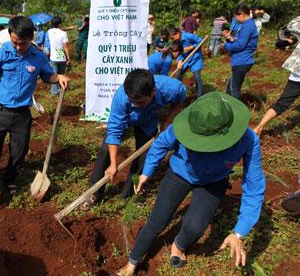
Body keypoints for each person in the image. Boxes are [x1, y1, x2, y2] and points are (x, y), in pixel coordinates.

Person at [115, 91, 265, 276]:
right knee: (157, 221)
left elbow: (254, 186)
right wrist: (147, 170)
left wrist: (239, 232)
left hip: (214, 181)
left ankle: (178, 246)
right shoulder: (184, 124)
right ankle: (133, 262)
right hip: (180, 173)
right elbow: (162, 143)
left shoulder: (249, 140)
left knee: (195, 227)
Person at [0, 16, 70, 216]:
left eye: (23, 43)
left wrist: (58, 76)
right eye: (15, 42)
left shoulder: (38, 56)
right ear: (10, 36)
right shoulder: (1, 54)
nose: (18, 47)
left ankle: (9, 179)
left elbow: (47, 76)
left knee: (19, 151)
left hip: (22, 114)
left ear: (31, 38)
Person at [80, 70, 186, 209]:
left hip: (148, 121)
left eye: (140, 102)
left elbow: (181, 97)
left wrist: (167, 121)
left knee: (144, 156)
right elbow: (114, 131)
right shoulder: (121, 97)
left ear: (153, 92)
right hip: (127, 118)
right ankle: (95, 192)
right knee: (106, 150)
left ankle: (129, 194)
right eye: (133, 101)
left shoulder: (171, 88)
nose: (136, 105)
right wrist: (113, 164)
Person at [254, 16, 299, 136]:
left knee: (282, 102)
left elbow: (291, 25)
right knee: (282, 102)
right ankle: (259, 126)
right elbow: (291, 25)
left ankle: (259, 126)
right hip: (298, 72)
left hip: (297, 71)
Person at [223, 4, 258, 100]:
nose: (235, 19)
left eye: (235, 17)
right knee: (230, 88)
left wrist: (226, 46)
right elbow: (243, 41)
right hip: (241, 60)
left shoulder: (247, 26)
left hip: (242, 61)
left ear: (242, 14)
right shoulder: (247, 24)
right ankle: (230, 108)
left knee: (234, 90)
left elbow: (240, 45)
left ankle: (236, 111)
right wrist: (231, 38)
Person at [169, 27, 205, 97]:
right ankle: (177, 92)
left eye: (173, 38)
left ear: (178, 34)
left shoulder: (188, 36)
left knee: (197, 77)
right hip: (185, 59)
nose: (172, 40)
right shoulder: (176, 41)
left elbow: (200, 41)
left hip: (195, 58)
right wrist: (179, 61)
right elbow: (178, 51)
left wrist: (190, 47)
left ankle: (200, 95)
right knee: (179, 75)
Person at [47, 16, 71, 96]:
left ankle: (54, 92)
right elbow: (65, 46)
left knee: (55, 75)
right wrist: (68, 58)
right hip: (61, 56)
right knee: (61, 74)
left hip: (53, 57)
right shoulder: (63, 34)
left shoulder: (49, 31)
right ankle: (61, 90)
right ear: (60, 24)